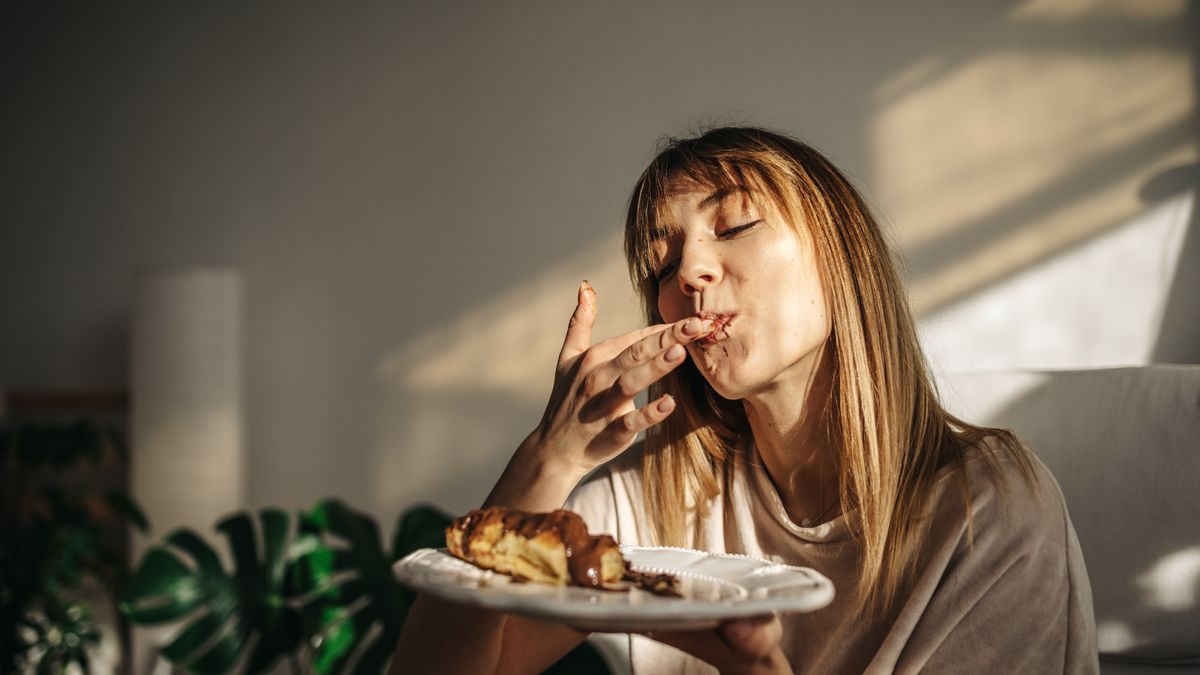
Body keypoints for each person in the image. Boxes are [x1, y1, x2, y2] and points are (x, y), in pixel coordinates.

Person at [391, 127, 1099, 674]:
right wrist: (550, 455)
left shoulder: (991, 509)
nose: (691, 272)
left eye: (733, 228)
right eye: (665, 264)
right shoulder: (650, 504)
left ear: (841, 255)